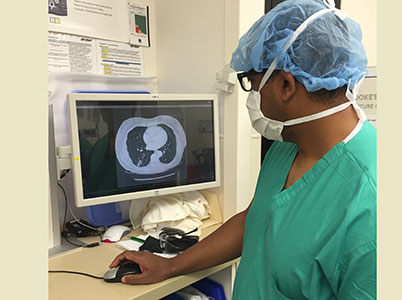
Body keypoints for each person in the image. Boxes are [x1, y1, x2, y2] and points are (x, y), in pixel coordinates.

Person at [109, 0, 376, 298]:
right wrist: (170, 266)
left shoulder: (370, 203)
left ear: (286, 85)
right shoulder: (289, 144)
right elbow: (256, 220)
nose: (251, 95)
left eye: (251, 82)